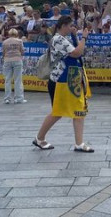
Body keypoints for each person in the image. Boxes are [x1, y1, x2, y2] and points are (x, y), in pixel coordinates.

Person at [33, 16, 93, 153]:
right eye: (70, 26)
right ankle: (40, 138)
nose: (72, 28)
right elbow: (77, 52)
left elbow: (77, 51)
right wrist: (84, 37)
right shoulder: (58, 39)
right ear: (64, 25)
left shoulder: (63, 39)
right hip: (62, 80)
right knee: (60, 111)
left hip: (69, 79)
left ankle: (78, 143)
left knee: (76, 111)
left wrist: (75, 36)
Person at [1, 29, 25, 104]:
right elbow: (22, 51)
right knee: (18, 80)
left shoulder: (5, 42)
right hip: (17, 60)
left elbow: (3, 53)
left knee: (7, 80)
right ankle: (19, 98)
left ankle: (7, 98)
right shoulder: (19, 41)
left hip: (7, 60)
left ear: (9, 34)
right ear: (16, 34)